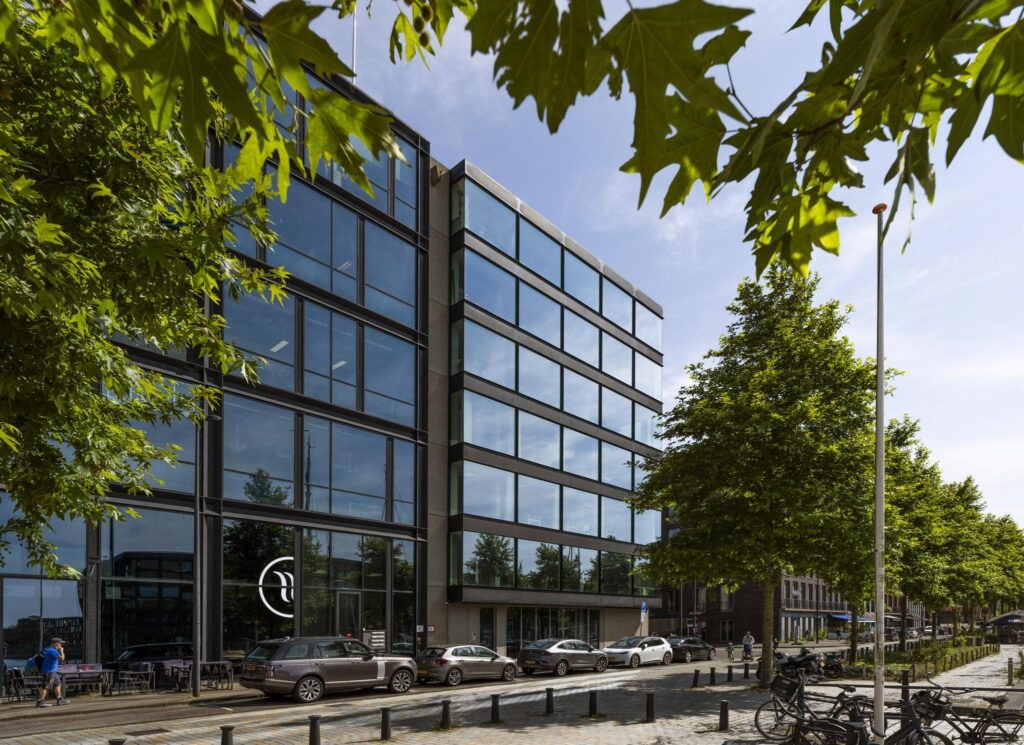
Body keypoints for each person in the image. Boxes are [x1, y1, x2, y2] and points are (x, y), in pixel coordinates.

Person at [35, 638, 67, 708]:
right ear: (55, 643)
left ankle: (59, 699)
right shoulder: (53, 650)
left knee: (57, 683)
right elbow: (62, 659)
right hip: (49, 672)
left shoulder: (46, 649)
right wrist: (62, 651)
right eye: (60, 643)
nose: (61, 645)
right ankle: (40, 702)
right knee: (45, 686)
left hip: (50, 671)